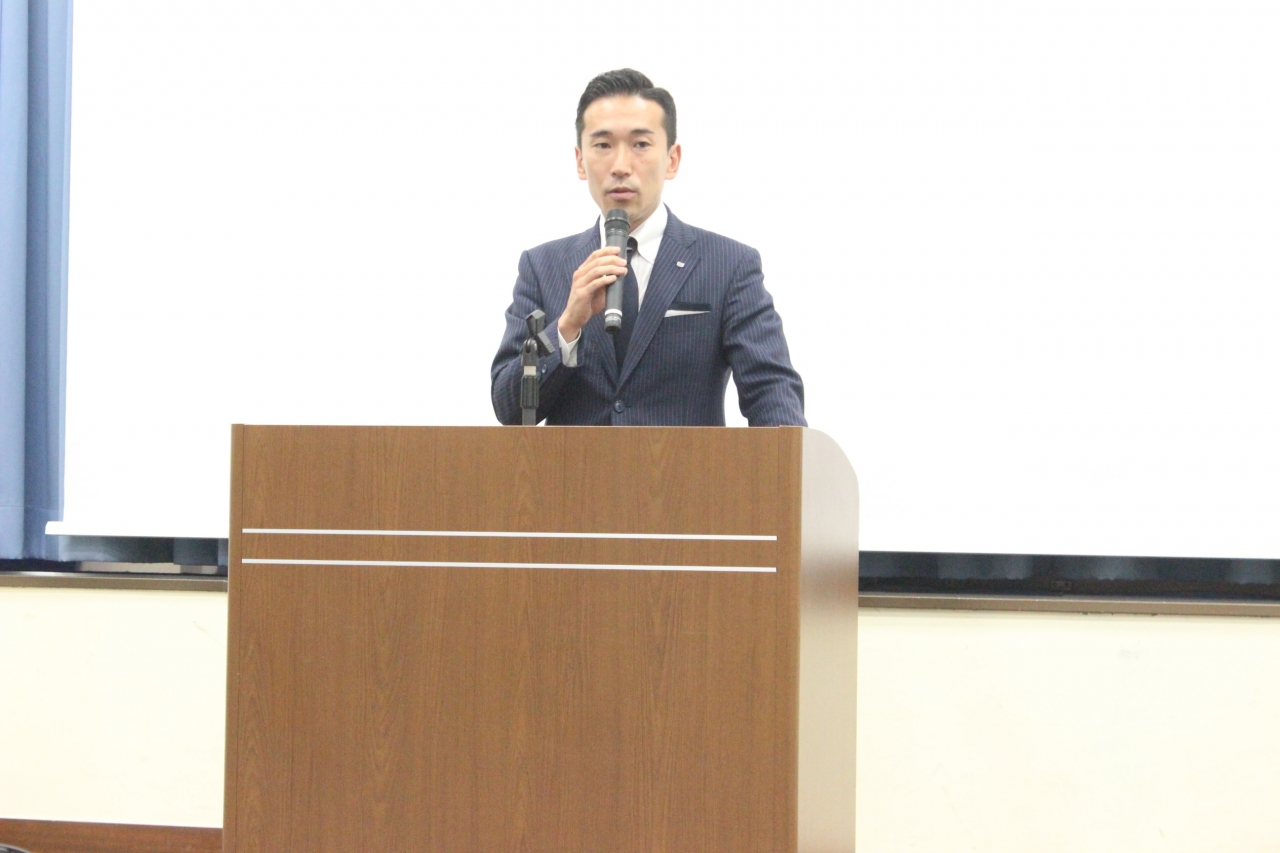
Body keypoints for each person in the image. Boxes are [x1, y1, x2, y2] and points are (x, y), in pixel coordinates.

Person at [490, 69, 805, 427]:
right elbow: (508, 408)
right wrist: (565, 328)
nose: (621, 166)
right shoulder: (542, 266)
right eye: (603, 145)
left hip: (683, 464)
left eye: (640, 144)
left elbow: (771, 392)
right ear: (580, 161)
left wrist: (789, 457)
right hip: (573, 466)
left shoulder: (729, 265)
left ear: (672, 159)